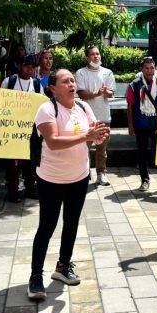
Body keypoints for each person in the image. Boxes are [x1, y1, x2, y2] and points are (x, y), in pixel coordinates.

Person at [28, 69, 110, 299]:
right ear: (53, 88)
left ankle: (63, 266)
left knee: (71, 222)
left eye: (73, 80)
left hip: (79, 176)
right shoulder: (47, 109)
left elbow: (94, 133)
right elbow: (53, 142)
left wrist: (100, 135)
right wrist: (87, 137)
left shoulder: (84, 107)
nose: (72, 84)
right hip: (51, 179)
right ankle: (35, 276)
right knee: (47, 226)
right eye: (65, 81)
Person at [2, 55, 44, 202]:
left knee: (31, 160)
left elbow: (42, 107)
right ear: (18, 65)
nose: (29, 69)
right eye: (26, 66)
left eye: (32, 67)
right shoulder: (10, 81)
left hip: (32, 128)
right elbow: (0, 103)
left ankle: (30, 188)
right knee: (15, 162)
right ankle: (13, 191)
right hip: (13, 128)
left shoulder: (37, 84)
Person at [127, 57, 157, 193]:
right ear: (141, 69)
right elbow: (130, 106)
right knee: (142, 154)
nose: (150, 71)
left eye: (152, 68)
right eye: (147, 68)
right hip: (141, 124)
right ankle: (145, 180)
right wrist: (130, 125)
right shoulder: (134, 85)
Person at [75, 45, 116, 186]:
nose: (96, 56)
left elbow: (111, 93)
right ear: (87, 58)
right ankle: (83, 174)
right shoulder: (81, 73)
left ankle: (101, 174)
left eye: (98, 54)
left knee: (102, 149)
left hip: (104, 116)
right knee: (83, 147)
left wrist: (106, 92)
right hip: (85, 118)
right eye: (92, 54)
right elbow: (81, 94)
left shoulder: (108, 73)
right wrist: (97, 93)